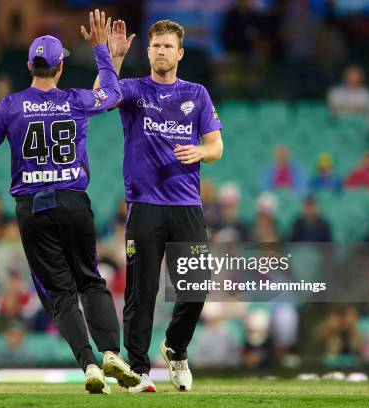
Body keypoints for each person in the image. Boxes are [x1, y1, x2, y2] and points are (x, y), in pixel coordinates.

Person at [0, 9, 138, 394]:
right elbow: (111, 94)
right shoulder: (75, 100)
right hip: (74, 202)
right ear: (60, 67)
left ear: (30, 64)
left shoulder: (9, 106)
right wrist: (99, 50)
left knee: (60, 295)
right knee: (91, 282)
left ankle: (89, 366)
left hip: (33, 210)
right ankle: (111, 352)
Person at [97, 19, 224, 392]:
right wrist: (114, 62)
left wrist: (199, 150)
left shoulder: (197, 94)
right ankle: (137, 369)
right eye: (156, 46)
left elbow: (216, 146)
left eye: (168, 46)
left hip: (186, 204)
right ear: (148, 51)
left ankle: (175, 347)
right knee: (142, 291)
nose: (161, 52)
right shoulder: (135, 90)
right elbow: (100, 98)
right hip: (145, 205)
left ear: (180, 53)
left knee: (197, 285)